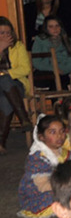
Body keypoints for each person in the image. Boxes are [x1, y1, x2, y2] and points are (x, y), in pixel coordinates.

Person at [18, 115, 71, 218]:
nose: (59, 136)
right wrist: (67, 185)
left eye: (62, 131)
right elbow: (42, 186)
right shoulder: (38, 158)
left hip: (60, 185)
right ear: (41, 137)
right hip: (41, 193)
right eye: (53, 132)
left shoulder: (65, 152)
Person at [0, 16, 32, 155]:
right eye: (1, 33)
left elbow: (25, 69)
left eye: (8, 32)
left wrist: (6, 73)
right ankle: (24, 118)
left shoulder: (18, 46)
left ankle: (1, 143)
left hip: (16, 86)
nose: (6, 35)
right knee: (4, 84)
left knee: (5, 82)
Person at [30, 15, 71, 89]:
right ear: (46, 28)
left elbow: (70, 62)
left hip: (62, 71)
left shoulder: (68, 41)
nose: (55, 29)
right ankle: (58, 100)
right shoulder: (39, 40)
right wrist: (54, 69)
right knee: (54, 80)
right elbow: (36, 62)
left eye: (57, 26)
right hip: (45, 71)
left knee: (63, 80)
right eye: (51, 26)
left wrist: (63, 70)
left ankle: (61, 100)